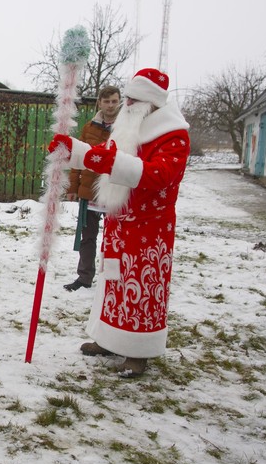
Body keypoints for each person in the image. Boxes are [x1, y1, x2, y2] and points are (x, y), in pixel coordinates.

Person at [49, 68, 190, 377]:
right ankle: (109, 337)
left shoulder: (174, 135)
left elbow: (162, 175)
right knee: (114, 282)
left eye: (133, 99)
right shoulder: (128, 128)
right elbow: (104, 154)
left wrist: (112, 163)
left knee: (141, 286)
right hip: (120, 222)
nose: (126, 104)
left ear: (150, 103)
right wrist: (73, 150)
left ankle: (137, 352)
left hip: (150, 228)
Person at [62, 86, 121, 291]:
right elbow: (78, 157)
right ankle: (84, 277)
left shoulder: (127, 126)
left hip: (115, 188)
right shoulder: (89, 127)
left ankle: (113, 279)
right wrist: (73, 186)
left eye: (114, 101)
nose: (111, 105)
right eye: (107, 101)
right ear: (100, 103)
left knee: (115, 237)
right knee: (88, 237)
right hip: (90, 188)